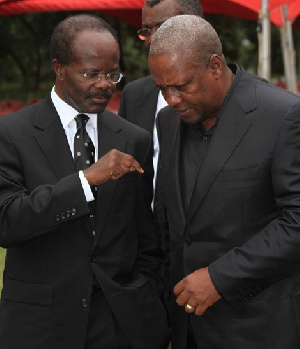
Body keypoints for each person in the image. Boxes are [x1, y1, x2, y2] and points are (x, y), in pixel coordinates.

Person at [0, 14, 169, 349]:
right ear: (59, 68)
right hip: (40, 327)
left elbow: (146, 239)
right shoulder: (12, 133)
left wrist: (144, 297)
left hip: (119, 325)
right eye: (91, 74)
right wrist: (85, 181)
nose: (105, 83)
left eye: (112, 73)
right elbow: (7, 223)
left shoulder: (132, 138)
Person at [149, 14, 300, 349]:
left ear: (215, 66)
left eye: (181, 86)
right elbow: (169, 224)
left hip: (258, 328)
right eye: (162, 88)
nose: (171, 100)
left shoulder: (283, 115)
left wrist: (219, 277)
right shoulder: (167, 122)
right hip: (186, 325)